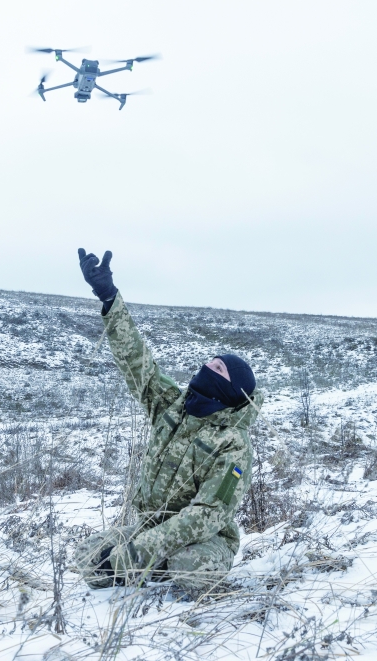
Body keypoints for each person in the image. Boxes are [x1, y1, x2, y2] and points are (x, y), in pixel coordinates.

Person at [72, 248, 261, 596]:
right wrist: (108, 296)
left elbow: (207, 515)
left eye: (217, 369)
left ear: (230, 391)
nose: (207, 368)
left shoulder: (234, 446)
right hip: (147, 526)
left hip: (204, 539)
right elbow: (136, 360)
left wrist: (138, 553)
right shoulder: (173, 405)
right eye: (210, 362)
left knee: (190, 569)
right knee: (88, 559)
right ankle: (150, 568)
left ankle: (156, 569)